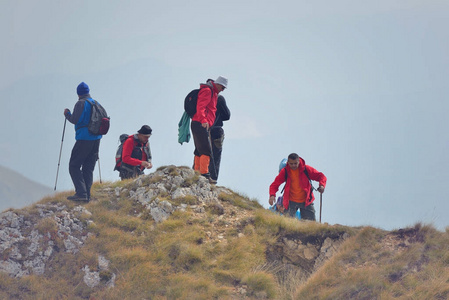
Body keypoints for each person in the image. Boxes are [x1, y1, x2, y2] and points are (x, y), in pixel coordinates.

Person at [63, 82, 103, 202]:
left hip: (84, 139)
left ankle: (81, 193)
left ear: (78, 93)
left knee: (74, 166)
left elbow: (75, 120)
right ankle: (87, 195)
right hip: (97, 139)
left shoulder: (80, 103)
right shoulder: (96, 103)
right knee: (88, 167)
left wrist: (67, 114)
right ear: (88, 91)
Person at [269, 153, 327, 221]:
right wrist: (272, 195)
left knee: (311, 223)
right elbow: (274, 184)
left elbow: (321, 176)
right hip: (290, 201)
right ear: (288, 163)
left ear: (299, 161)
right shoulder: (285, 171)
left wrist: (322, 185)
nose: (293, 165)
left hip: (306, 200)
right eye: (291, 164)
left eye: (295, 163)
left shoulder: (306, 169)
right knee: (287, 224)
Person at [191, 76, 228, 183]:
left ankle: (196, 172)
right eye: (223, 87)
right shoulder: (208, 91)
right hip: (201, 123)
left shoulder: (213, 93)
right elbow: (201, 106)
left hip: (201, 123)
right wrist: (204, 120)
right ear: (218, 84)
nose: (223, 90)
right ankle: (204, 173)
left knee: (199, 149)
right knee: (206, 149)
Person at [208, 95, 230, 182]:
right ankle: (213, 178)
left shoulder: (202, 96)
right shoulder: (219, 98)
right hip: (216, 129)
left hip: (203, 129)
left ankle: (200, 174)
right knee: (216, 155)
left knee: (202, 152)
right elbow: (227, 115)